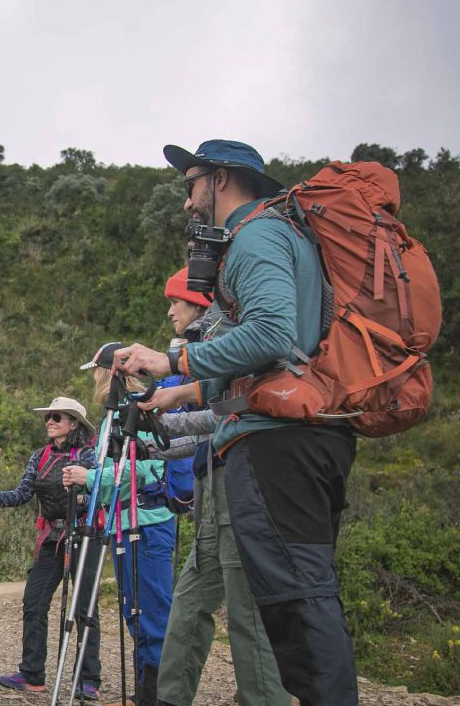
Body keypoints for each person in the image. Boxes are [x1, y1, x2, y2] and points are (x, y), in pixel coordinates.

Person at [115, 140, 358, 706]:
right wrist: (175, 394)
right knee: (294, 601)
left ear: (221, 179)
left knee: (293, 603)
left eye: (190, 184)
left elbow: (273, 335)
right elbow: (267, 357)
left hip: (280, 445)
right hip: (292, 434)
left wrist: (171, 360)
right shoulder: (280, 237)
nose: (186, 202)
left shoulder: (257, 235)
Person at [146, 269, 289, 706]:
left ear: (198, 302)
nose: (170, 310)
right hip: (213, 482)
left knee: (245, 609)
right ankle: (169, 698)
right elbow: (210, 428)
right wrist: (156, 440)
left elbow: (228, 416)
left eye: (176, 301)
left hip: (240, 480)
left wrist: (169, 414)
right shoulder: (210, 343)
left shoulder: (227, 337)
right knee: (189, 603)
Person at [0, 397, 102, 699]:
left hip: (84, 535)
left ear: (74, 424)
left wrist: (81, 497)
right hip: (52, 538)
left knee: (85, 609)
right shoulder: (39, 456)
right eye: (48, 417)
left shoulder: (90, 456)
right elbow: (21, 494)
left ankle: (89, 679)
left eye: (57, 417)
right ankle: (32, 674)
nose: (49, 422)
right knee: (34, 602)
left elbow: (102, 494)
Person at [65, 371, 175, 706]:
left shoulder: (139, 409)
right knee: (134, 611)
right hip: (122, 523)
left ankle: (156, 697)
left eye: (99, 369)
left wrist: (91, 477)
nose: (96, 377)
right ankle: (144, 693)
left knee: (152, 614)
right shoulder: (112, 416)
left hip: (148, 523)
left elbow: (143, 466)